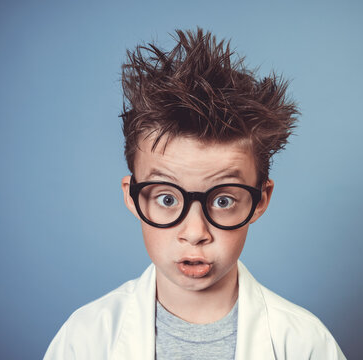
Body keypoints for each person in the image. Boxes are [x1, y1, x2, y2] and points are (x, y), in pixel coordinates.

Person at [44, 28, 347, 360]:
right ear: (132, 197)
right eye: (168, 198)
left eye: (222, 200)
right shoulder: (86, 337)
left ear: (260, 200)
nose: (195, 233)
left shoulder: (304, 343)